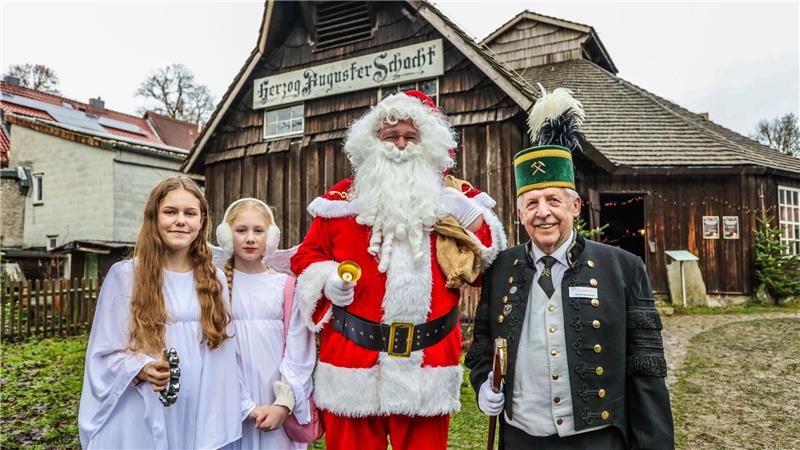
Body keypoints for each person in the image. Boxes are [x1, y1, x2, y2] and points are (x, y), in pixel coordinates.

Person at [290, 91, 507, 450]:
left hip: (429, 365)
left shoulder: (458, 200)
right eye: (390, 136)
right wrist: (326, 280)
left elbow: (486, 268)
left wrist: (467, 215)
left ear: (430, 144)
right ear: (371, 143)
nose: (400, 145)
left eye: (411, 136)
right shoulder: (339, 202)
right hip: (352, 366)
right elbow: (306, 257)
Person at [465, 87, 674, 449]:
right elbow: (483, 346)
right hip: (520, 437)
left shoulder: (625, 269)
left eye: (553, 200)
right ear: (519, 214)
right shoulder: (499, 269)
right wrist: (484, 383)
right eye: (531, 203)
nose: (542, 212)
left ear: (576, 206)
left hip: (595, 440)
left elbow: (647, 372)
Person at [78, 176, 254, 449]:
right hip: (142, 405)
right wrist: (141, 368)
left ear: (202, 221)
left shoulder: (214, 279)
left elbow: (222, 354)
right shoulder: (126, 276)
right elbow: (102, 351)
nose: (180, 221)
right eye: (170, 212)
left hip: (196, 407)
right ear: (154, 217)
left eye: (190, 213)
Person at [215, 198, 316, 450]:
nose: (250, 238)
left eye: (258, 231)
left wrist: (283, 403)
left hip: (276, 403)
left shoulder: (286, 285)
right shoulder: (214, 286)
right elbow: (214, 352)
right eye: (241, 230)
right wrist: (245, 405)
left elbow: (299, 351)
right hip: (228, 403)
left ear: (270, 237)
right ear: (227, 235)